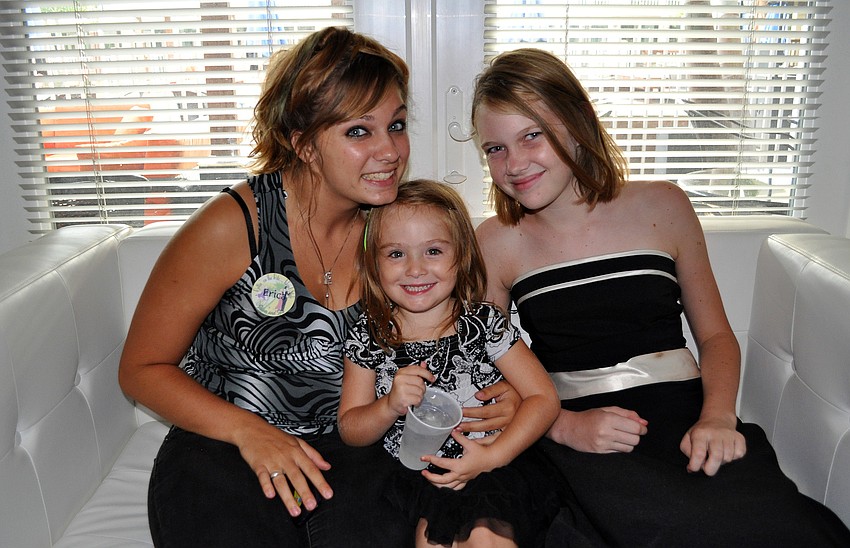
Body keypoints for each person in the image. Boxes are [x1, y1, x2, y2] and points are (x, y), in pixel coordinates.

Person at [118, 28, 518, 548]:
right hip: (223, 446)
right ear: (302, 142)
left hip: (354, 450)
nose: (390, 151)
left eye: (396, 125)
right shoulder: (237, 225)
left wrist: (503, 395)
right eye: (359, 131)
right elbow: (141, 369)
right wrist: (249, 432)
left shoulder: (395, 232)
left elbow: (459, 335)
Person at [471, 48, 850, 547]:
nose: (514, 163)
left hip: (687, 419)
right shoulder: (494, 241)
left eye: (531, 136)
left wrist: (718, 417)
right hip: (577, 436)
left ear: (577, 122)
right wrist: (563, 427)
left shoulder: (663, 204)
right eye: (495, 149)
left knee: (777, 529)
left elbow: (715, 337)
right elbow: (485, 374)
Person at [337, 179, 561, 548]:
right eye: (396, 254)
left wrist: (491, 457)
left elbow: (543, 398)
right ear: (373, 263)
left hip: (494, 465)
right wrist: (388, 405)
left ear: (462, 255)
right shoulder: (369, 334)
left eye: (433, 251)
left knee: (487, 536)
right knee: (432, 539)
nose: (415, 269)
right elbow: (350, 428)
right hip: (415, 476)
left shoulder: (484, 323)